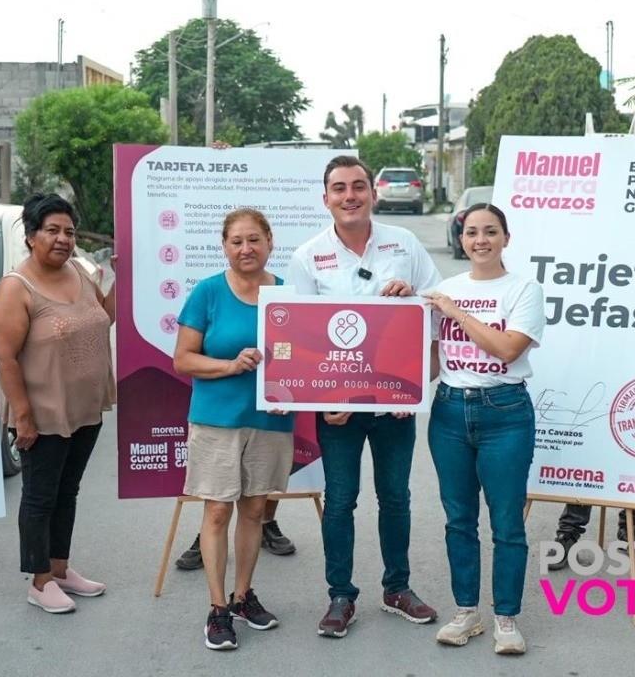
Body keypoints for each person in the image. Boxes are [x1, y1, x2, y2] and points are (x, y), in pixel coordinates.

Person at [286, 154, 441, 638]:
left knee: (396, 498)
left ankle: (397, 588)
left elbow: (439, 309)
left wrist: (413, 296)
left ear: (372, 193)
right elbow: (300, 338)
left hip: (394, 401)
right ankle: (340, 596)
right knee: (340, 501)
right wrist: (319, 401)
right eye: (339, 188)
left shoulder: (405, 244)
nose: (349, 196)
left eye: (358, 186)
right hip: (339, 409)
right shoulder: (308, 256)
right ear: (325, 197)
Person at [423, 203, 544, 655]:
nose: (480, 240)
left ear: (506, 239)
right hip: (450, 411)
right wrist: (394, 390)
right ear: (461, 239)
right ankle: (466, 612)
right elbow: (435, 359)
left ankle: (506, 618)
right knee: (459, 519)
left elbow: (508, 349)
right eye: (471, 232)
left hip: (505, 412)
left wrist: (455, 311)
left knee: (508, 522)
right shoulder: (445, 290)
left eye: (490, 232)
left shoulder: (523, 289)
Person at [173, 207, 294, 650]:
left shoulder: (287, 293)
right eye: (236, 241)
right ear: (224, 246)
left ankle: (244, 597)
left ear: (269, 242)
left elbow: (301, 359)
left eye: (254, 240)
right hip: (216, 422)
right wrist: (229, 365)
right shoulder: (207, 292)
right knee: (218, 511)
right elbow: (183, 359)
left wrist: (293, 395)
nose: (246, 248)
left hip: (269, 421)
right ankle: (217, 607)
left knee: (254, 511)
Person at [0, 193, 115, 614]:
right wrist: (22, 416)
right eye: (52, 230)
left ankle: (60, 569)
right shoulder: (16, 287)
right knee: (40, 496)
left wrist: (129, 277)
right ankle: (39, 580)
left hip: (84, 406)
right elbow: (3, 356)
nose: (62, 239)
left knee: (68, 491)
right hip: (42, 413)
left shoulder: (80, 273)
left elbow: (102, 318)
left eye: (69, 231)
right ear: (30, 236)